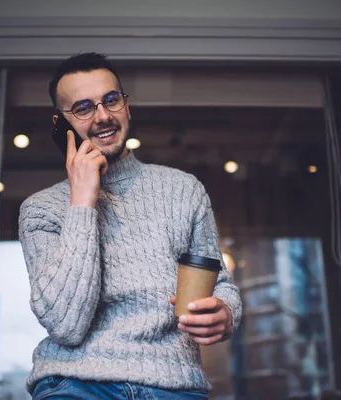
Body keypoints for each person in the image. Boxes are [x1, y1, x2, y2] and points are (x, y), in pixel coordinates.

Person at [18, 52, 242, 400]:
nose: (103, 116)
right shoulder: (40, 210)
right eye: (83, 107)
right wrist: (82, 201)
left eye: (111, 100)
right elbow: (67, 325)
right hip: (75, 384)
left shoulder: (183, 190)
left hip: (172, 384)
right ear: (61, 125)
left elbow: (221, 285)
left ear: (127, 106)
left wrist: (226, 313)